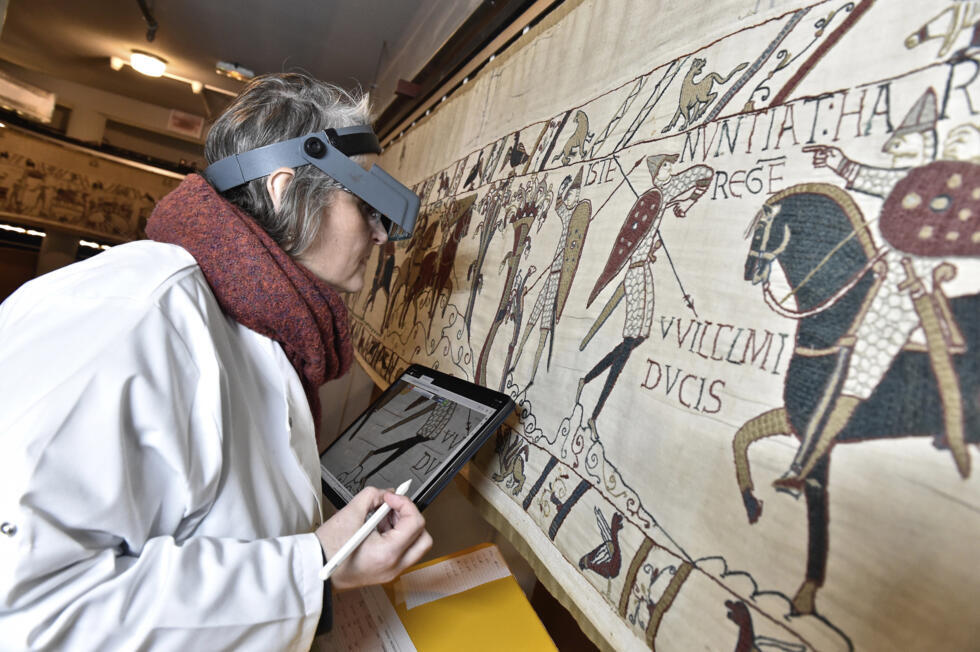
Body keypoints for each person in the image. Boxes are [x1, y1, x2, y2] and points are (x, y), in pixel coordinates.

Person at [0, 73, 432, 649]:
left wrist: (324, 558)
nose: (381, 237)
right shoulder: (133, 316)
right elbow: (29, 610)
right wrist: (313, 574)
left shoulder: (261, 325)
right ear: (284, 191)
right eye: (364, 204)